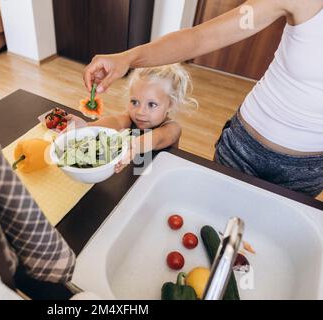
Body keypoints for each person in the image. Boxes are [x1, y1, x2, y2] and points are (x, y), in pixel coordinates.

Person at [83, 0, 323, 197]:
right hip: (242, 148)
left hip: (308, 171)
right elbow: (201, 37)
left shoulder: (168, 127)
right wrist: (127, 58)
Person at [69, 64, 196, 173]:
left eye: (151, 105)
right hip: (135, 175)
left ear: (170, 105)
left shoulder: (172, 128)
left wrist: (132, 147)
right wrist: (88, 127)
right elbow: (115, 120)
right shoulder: (130, 118)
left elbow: (156, 139)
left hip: (159, 177)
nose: (140, 112)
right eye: (135, 102)